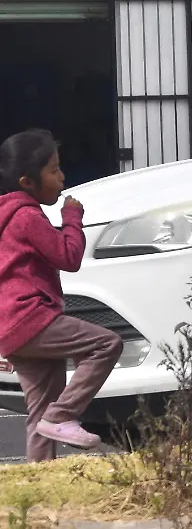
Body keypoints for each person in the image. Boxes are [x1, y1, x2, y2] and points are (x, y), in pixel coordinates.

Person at [0, 129, 123, 462]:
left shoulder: (6, 218)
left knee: (38, 417)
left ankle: (37, 486)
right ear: (27, 182)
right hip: (33, 319)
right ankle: (63, 415)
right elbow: (68, 257)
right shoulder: (26, 217)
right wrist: (72, 218)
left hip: (13, 329)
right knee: (106, 344)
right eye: (53, 171)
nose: (62, 177)